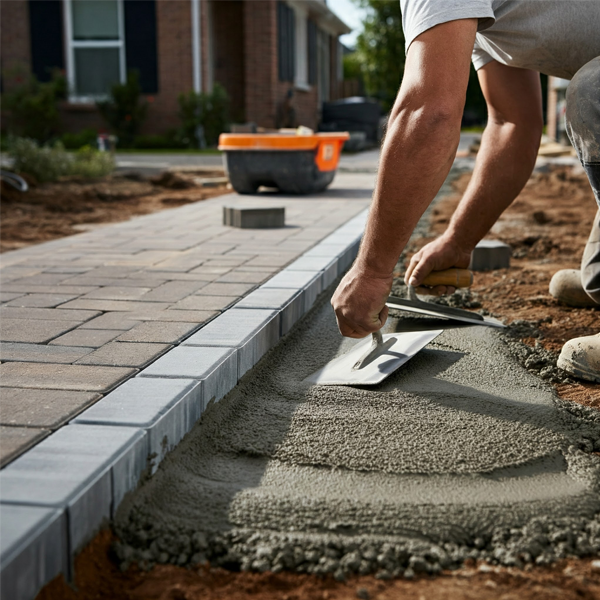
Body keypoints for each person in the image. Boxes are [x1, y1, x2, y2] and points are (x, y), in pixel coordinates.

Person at [331, 1, 600, 383]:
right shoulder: (467, 12)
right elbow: (513, 122)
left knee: (593, 92)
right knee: (597, 280)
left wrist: (373, 270)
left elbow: (430, 112)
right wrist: (459, 240)